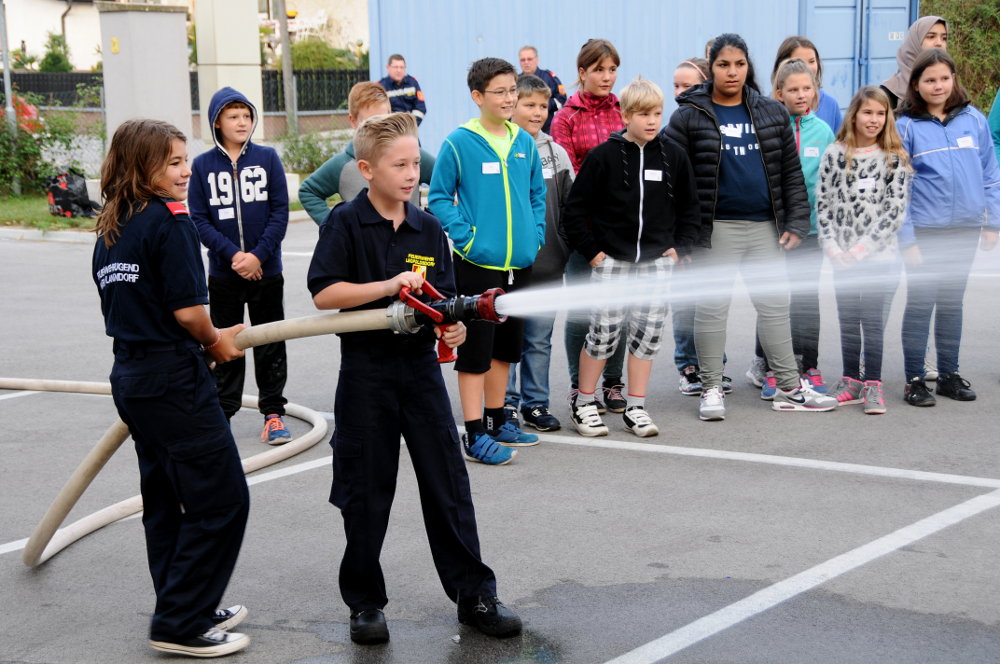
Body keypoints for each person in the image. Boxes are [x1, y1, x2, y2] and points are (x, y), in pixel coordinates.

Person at [307, 112, 522, 645]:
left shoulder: (429, 227)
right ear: (366, 169)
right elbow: (324, 294)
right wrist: (389, 283)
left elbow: (445, 306)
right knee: (365, 490)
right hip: (366, 376)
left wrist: (451, 331)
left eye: (413, 163)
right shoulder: (345, 223)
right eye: (398, 165)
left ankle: (474, 595)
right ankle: (365, 603)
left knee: (448, 485)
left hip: (420, 372)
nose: (411, 174)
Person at [93, 119, 251, 658]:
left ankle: (184, 602)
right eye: (175, 163)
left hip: (133, 378)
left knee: (166, 500)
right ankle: (181, 623)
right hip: (172, 379)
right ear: (144, 168)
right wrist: (217, 343)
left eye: (187, 160)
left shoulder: (113, 227)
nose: (187, 172)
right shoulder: (170, 222)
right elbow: (188, 311)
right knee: (221, 499)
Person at [664, 33, 838, 421]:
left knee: (776, 307)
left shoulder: (769, 111)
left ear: (749, 66)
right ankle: (711, 388)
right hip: (716, 229)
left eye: (739, 64)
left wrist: (796, 220)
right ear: (712, 68)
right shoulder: (689, 114)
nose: (732, 72)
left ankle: (790, 387)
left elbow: (790, 173)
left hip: (765, 227)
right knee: (711, 309)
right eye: (724, 65)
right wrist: (682, 237)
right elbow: (672, 176)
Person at [563, 77, 701, 437]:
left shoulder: (673, 156)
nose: (652, 121)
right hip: (612, 265)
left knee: (647, 337)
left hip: (657, 265)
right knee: (603, 335)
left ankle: (636, 407)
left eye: (656, 113)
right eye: (642, 114)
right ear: (625, 115)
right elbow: (575, 211)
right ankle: (584, 403)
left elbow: (690, 208)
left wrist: (680, 248)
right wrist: (594, 254)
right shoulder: (603, 156)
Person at [428, 57, 546, 462]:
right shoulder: (459, 142)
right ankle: (475, 433)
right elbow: (440, 197)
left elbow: (537, 196)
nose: (510, 98)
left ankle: (497, 421)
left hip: (521, 262)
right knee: (476, 350)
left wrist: (536, 235)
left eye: (513, 89)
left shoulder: (524, 142)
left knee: (507, 348)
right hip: (478, 263)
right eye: (501, 91)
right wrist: (468, 239)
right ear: (478, 96)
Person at [188, 87, 292, 445]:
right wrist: (234, 256)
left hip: (266, 271)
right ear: (217, 121)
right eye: (233, 116)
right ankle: (223, 414)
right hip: (223, 275)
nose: (242, 122)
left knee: (270, 341)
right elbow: (199, 219)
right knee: (224, 343)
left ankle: (273, 413)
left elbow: (280, 212)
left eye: (246, 116)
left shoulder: (267, 158)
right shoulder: (202, 166)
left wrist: (258, 256)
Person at [896, 49, 1000, 406]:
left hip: (966, 229)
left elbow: (990, 173)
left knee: (952, 303)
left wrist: (993, 222)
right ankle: (914, 379)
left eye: (944, 78)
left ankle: (949, 375)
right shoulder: (905, 126)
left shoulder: (974, 119)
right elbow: (898, 190)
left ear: (953, 79)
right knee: (922, 303)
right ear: (916, 84)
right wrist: (907, 239)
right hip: (925, 231)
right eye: (929, 80)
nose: (938, 85)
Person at [816, 86, 910, 414]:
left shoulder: (894, 159)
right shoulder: (834, 154)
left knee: (871, 320)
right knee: (847, 318)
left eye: (881, 114)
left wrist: (859, 250)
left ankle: (872, 384)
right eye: (867, 112)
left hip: (876, 257)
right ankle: (850, 380)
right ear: (854, 115)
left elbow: (893, 213)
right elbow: (824, 206)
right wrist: (832, 247)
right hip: (841, 258)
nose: (874, 120)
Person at [748, 58, 836, 399]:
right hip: (773, 232)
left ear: (815, 91)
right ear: (778, 93)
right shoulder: (768, 127)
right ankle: (771, 367)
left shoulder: (824, 132)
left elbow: (829, 186)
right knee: (772, 300)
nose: (801, 95)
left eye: (807, 88)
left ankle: (808, 365)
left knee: (805, 299)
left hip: (811, 232)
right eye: (793, 89)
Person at [551, 38, 628, 415]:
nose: (607, 77)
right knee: (582, 309)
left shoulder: (623, 110)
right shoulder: (565, 118)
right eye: (599, 69)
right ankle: (579, 385)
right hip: (583, 227)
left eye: (612, 69)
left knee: (618, 308)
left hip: (621, 228)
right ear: (582, 73)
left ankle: (614, 382)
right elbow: (568, 178)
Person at [504, 74, 574, 432]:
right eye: (528, 104)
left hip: (548, 265)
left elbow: (568, 206)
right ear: (511, 105)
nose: (536, 112)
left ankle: (535, 404)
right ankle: (504, 403)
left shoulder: (555, 153)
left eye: (542, 106)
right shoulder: (498, 148)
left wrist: (563, 248)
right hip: (507, 266)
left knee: (538, 339)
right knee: (508, 337)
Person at [669, 56, 735, 397]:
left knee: (712, 300)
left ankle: (714, 364)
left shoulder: (720, 120)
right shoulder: (678, 121)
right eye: (676, 86)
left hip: (713, 225)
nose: (680, 92)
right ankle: (688, 365)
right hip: (684, 226)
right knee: (684, 301)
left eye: (688, 86)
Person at [298, 82, 435, 225]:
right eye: (371, 122)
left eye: (385, 119)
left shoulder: (411, 156)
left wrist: (428, 219)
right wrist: (333, 227)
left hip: (408, 243)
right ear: (353, 121)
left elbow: (446, 179)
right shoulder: (342, 165)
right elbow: (308, 191)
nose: (380, 128)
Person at [771, 36, 842, 134]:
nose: (807, 67)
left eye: (812, 61)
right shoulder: (767, 106)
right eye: (800, 62)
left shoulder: (831, 105)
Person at [881, 15, 948, 110]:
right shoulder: (890, 93)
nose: (939, 43)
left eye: (944, 38)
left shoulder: (950, 87)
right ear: (914, 42)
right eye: (931, 37)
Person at [518, 45, 567, 134]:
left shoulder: (549, 78)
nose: (526, 62)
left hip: (545, 131)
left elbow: (562, 99)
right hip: (520, 132)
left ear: (537, 60)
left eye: (529, 59)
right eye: (523, 60)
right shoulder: (516, 81)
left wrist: (544, 106)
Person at [378, 54, 427, 125]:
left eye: (402, 67)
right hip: (391, 130)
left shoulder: (413, 83)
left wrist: (410, 124)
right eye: (395, 67)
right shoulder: (381, 87)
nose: (399, 70)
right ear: (388, 68)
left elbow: (421, 108)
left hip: (410, 128)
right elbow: (380, 113)